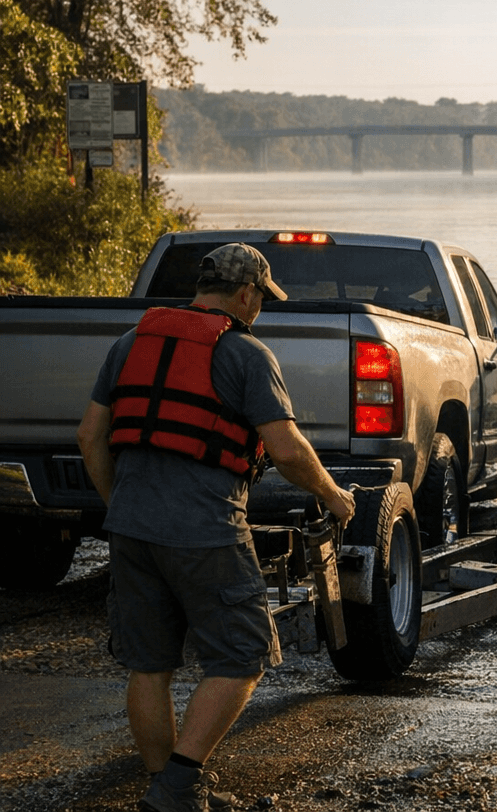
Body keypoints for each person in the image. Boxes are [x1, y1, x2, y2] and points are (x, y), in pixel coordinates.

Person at [76, 243, 356, 812]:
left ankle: (168, 789)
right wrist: (334, 496)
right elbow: (285, 449)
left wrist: (122, 505)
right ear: (248, 294)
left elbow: (89, 436)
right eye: (261, 299)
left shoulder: (130, 344)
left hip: (130, 528)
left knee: (149, 664)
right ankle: (177, 784)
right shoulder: (246, 354)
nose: (260, 309)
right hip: (206, 530)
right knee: (243, 656)